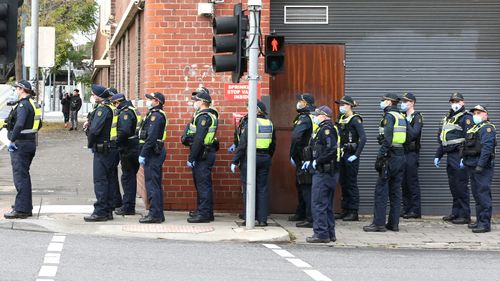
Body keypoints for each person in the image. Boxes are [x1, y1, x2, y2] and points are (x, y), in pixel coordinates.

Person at [364, 94, 406, 232]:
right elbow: (409, 135)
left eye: (383, 100)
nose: (381, 102)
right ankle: (394, 224)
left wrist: (380, 156)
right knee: (395, 191)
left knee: (381, 190)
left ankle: (378, 224)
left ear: (389, 102)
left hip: (390, 156)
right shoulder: (401, 116)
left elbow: (387, 139)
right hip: (400, 155)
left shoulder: (389, 116)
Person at [231, 101, 276, 226]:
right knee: (262, 189)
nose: (247, 109)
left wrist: (235, 160)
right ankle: (262, 220)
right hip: (265, 157)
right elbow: (273, 144)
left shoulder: (252, 123)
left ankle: (249, 218)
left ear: (257, 110)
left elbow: (243, 144)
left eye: (249, 107)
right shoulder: (269, 123)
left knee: (248, 188)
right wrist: (267, 156)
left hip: (250, 158)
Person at [4, 80, 41, 219]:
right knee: (24, 176)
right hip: (29, 142)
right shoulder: (32, 104)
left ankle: (22, 210)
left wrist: (11, 140)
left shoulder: (22, 105)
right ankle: (24, 204)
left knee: (20, 178)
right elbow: (38, 123)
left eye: (17, 88)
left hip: (21, 145)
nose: (15, 91)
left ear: (22, 90)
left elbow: (19, 124)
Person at [302, 106, 340, 243]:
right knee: (326, 204)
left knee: (318, 203)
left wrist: (316, 162)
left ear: (323, 116)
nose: (314, 117)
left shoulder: (327, 130)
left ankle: (321, 234)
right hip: (327, 172)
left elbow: (331, 150)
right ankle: (330, 233)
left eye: (316, 115)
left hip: (324, 172)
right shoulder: (326, 129)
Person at [434, 93, 474, 224]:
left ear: (463, 102)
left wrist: (465, 156)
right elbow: (443, 139)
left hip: (459, 155)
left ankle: (465, 215)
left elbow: (470, 139)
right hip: (449, 156)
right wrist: (438, 155)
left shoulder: (466, 118)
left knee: (461, 186)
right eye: (452, 101)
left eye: (457, 101)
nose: (454, 103)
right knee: (453, 186)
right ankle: (456, 212)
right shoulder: (447, 118)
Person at [182, 87, 219, 223]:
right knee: (203, 185)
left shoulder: (204, 117)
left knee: (203, 185)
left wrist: (191, 157)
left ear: (202, 102)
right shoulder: (206, 115)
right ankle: (205, 211)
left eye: (196, 100)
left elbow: (199, 138)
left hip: (203, 154)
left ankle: (204, 214)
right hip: (204, 153)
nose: (194, 102)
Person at [84, 84, 119, 222]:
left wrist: (89, 142)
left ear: (98, 96)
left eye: (93, 95)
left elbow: (95, 130)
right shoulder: (110, 107)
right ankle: (108, 209)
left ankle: (100, 211)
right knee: (109, 180)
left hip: (103, 150)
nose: (92, 97)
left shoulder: (102, 110)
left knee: (100, 181)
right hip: (110, 149)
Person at [462, 105, 496, 233]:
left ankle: (485, 224)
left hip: (482, 167)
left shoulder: (487, 128)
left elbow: (487, 149)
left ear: (485, 114)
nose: (475, 115)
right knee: (477, 195)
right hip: (473, 165)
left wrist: (480, 165)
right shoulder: (475, 128)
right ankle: (480, 220)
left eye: (478, 113)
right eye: (474, 113)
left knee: (483, 195)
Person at [137, 92, 167, 223]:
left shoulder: (156, 116)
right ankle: (157, 213)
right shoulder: (153, 114)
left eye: (150, 99)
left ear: (157, 101)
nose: (148, 101)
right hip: (153, 153)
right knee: (154, 184)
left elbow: (151, 138)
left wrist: (143, 154)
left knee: (152, 185)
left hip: (153, 154)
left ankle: (155, 215)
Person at [335, 96, 366, 221]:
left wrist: (356, 155)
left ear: (349, 106)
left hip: (351, 155)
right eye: (340, 104)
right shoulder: (341, 118)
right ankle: (345, 209)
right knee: (343, 182)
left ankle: (353, 212)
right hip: (342, 155)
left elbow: (363, 138)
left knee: (351, 183)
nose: (340, 107)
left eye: (343, 104)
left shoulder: (355, 119)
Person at [289, 93, 317, 228]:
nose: (298, 103)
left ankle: (310, 218)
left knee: (306, 188)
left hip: (304, 157)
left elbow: (296, 137)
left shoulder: (305, 118)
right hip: (313, 157)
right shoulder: (315, 116)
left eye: (300, 101)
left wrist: (293, 155)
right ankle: (301, 212)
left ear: (305, 103)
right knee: (302, 186)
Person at [111, 93, 140, 216]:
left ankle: (128, 207)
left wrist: (116, 143)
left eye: (114, 104)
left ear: (118, 102)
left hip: (128, 149)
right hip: (134, 147)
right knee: (130, 177)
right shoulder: (133, 109)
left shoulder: (125, 112)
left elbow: (124, 131)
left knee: (127, 179)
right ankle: (128, 205)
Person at [400, 92, 423, 219]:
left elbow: (414, 133)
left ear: (412, 103)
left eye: (406, 101)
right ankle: (406, 208)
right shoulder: (402, 116)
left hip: (412, 153)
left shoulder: (417, 117)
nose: (403, 104)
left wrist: (405, 121)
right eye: (402, 101)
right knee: (403, 182)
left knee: (412, 181)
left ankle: (415, 210)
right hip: (402, 152)